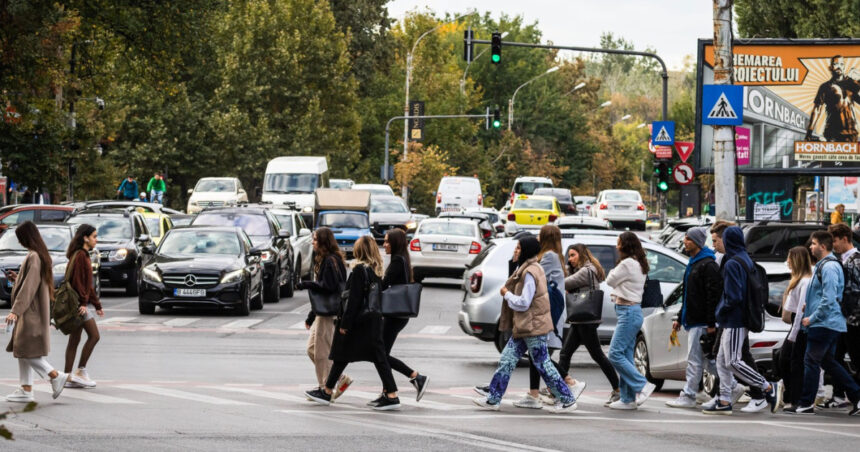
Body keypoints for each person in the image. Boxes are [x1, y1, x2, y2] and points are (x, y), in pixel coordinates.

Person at [473, 235, 576, 413]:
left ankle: (567, 399)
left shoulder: (530, 272)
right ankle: (493, 399)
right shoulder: (528, 267)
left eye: (519, 248)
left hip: (533, 326)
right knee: (507, 359)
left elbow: (524, 302)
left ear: (526, 251)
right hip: (525, 326)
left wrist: (506, 294)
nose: (516, 250)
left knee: (543, 364)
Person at [305, 235, 401, 411]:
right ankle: (390, 394)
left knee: (343, 354)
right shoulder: (375, 271)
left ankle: (327, 391)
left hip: (358, 322)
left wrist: (345, 324)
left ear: (360, 251)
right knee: (362, 357)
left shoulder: (359, 271)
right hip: (372, 321)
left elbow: (353, 300)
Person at [705, 225, 782, 415]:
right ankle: (724, 399)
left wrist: (720, 311)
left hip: (734, 319)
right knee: (723, 360)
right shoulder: (745, 259)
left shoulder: (732, 263)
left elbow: (733, 296)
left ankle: (767, 387)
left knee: (732, 361)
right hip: (741, 318)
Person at [516, 225, 586, 409]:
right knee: (537, 353)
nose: (537, 237)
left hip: (549, 311)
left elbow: (533, 275)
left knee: (539, 354)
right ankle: (535, 393)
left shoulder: (549, 257)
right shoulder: (554, 256)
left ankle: (569, 382)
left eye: (540, 234)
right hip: (548, 309)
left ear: (546, 237)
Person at [796, 231, 860, 415]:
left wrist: (812, 317)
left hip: (825, 322)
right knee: (828, 362)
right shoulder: (824, 265)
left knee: (811, 360)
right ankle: (856, 395)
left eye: (813, 244)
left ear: (823, 247)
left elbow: (830, 298)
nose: (810, 247)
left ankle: (806, 402)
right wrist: (810, 306)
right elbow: (822, 295)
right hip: (827, 321)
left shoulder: (829, 267)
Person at [4, 221, 69, 402]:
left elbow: (29, 288)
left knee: (25, 350)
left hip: (30, 312)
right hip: (33, 311)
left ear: (26, 237)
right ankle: (26, 389)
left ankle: (55, 375)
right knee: (25, 350)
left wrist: (15, 311)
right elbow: (31, 283)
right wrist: (17, 278)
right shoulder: (39, 255)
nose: (19, 242)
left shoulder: (33, 256)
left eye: (20, 238)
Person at [666, 227, 722, 409]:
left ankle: (689, 395)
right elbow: (689, 295)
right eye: (685, 238)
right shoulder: (694, 263)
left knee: (695, 361)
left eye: (688, 239)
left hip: (701, 322)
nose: (684, 241)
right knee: (707, 361)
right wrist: (680, 317)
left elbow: (712, 297)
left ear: (697, 242)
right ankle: (734, 386)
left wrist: (711, 323)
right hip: (694, 320)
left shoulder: (707, 265)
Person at [558, 243, 620, 406]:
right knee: (565, 353)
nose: (570, 259)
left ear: (582, 255)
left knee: (597, 355)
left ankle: (618, 389)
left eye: (573, 255)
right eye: (569, 256)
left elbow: (565, 283)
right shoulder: (584, 269)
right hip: (581, 320)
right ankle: (559, 388)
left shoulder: (586, 271)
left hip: (586, 320)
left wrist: (563, 272)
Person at [375, 229, 428, 406]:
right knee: (381, 354)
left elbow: (383, 285)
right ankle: (387, 392)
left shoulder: (398, 260)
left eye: (388, 241)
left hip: (394, 315)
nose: (384, 244)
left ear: (396, 243)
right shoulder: (402, 259)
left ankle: (415, 377)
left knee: (379, 354)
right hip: (397, 314)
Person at [297, 227, 351, 399]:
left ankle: (324, 389)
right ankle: (338, 378)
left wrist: (307, 284)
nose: (312, 242)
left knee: (321, 352)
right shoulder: (330, 259)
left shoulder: (330, 261)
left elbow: (328, 288)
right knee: (312, 349)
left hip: (329, 314)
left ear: (323, 242)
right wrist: (311, 316)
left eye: (314, 239)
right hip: (323, 312)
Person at [605, 232, 655, 410]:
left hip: (628, 313)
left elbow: (610, 280)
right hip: (631, 312)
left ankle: (642, 385)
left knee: (615, 353)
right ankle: (627, 398)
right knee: (626, 355)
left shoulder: (627, 263)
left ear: (624, 245)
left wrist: (613, 271)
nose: (616, 246)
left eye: (618, 243)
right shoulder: (638, 262)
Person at [64, 224, 105, 388]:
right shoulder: (81, 255)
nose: (96, 239)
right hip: (78, 306)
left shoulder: (82, 254)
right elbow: (80, 283)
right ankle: (79, 371)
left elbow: (88, 284)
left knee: (74, 340)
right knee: (94, 336)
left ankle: (67, 376)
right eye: (94, 236)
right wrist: (83, 303)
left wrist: (96, 304)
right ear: (85, 238)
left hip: (78, 304)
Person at [827, 223, 860, 409]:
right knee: (834, 357)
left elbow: (856, 293)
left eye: (835, 241)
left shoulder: (856, 260)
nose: (833, 245)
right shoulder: (842, 261)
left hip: (854, 320)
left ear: (845, 239)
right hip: (842, 320)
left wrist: (851, 315)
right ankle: (839, 395)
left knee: (856, 359)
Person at [778, 246, 812, 412]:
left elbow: (799, 311)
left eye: (789, 259)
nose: (787, 262)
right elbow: (787, 311)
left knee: (794, 363)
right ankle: (791, 396)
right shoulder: (797, 281)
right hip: (796, 327)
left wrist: (794, 333)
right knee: (785, 360)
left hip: (800, 328)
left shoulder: (805, 282)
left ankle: (795, 398)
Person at [805, 56, 860, 142]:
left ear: (844, 67)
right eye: (836, 64)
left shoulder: (851, 84)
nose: (839, 66)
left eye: (841, 64)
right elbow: (817, 110)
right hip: (832, 133)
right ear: (831, 67)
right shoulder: (825, 87)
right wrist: (809, 132)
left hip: (852, 133)